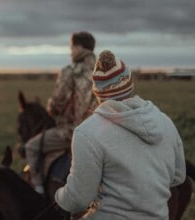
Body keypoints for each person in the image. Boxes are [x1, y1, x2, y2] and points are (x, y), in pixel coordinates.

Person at [55, 50, 186, 219]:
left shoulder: (86, 132)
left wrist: (59, 195)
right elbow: (178, 176)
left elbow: (78, 200)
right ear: (130, 84)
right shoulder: (165, 121)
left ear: (97, 93)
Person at [25, 31, 98, 195]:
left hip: (74, 133)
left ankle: (37, 190)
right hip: (102, 131)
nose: (70, 52)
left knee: (31, 146)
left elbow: (57, 103)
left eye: (72, 47)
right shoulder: (104, 70)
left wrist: (52, 110)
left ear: (79, 48)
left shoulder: (71, 71)